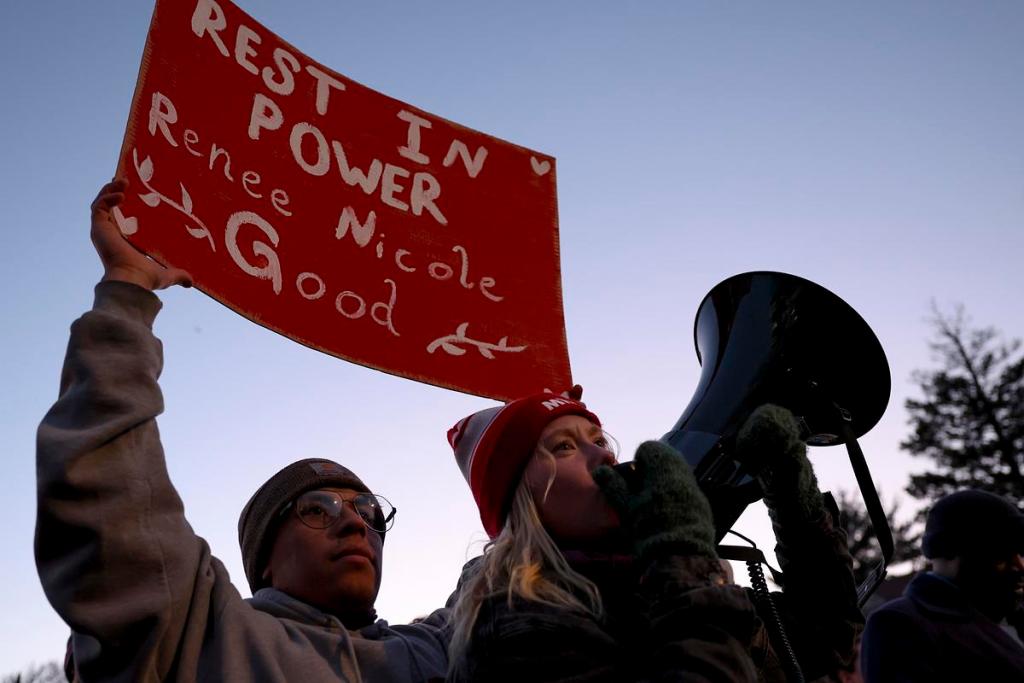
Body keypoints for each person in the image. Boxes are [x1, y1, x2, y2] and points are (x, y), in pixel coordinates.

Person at [36, 179, 450, 682]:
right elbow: (110, 494)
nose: (356, 524)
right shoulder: (200, 635)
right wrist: (127, 284)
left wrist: (550, 425)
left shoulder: (447, 651)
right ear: (264, 562)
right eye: (317, 510)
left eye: (369, 513)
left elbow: (529, 569)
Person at [445, 389, 862, 682]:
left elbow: (827, 637)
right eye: (564, 448)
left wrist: (794, 500)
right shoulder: (514, 624)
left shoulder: (655, 577)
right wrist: (685, 558)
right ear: (522, 503)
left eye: (598, 440)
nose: (605, 455)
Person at [860, 489, 1024, 682]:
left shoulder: (1003, 621)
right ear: (952, 552)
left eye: (1021, 554)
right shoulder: (898, 624)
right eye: (1001, 555)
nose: (1019, 567)